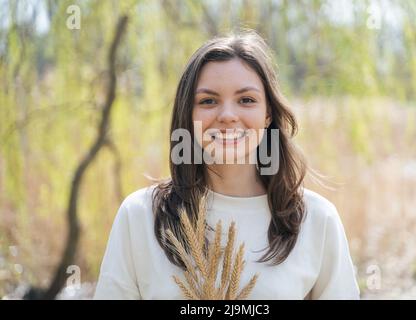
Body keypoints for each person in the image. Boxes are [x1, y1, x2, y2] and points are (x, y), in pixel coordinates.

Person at [94, 30, 360, 300]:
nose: (228, 116)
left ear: (268, 114)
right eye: (208, 101)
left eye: (246, 100)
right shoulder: (140, 216)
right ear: (188, 114)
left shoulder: (316, 220)